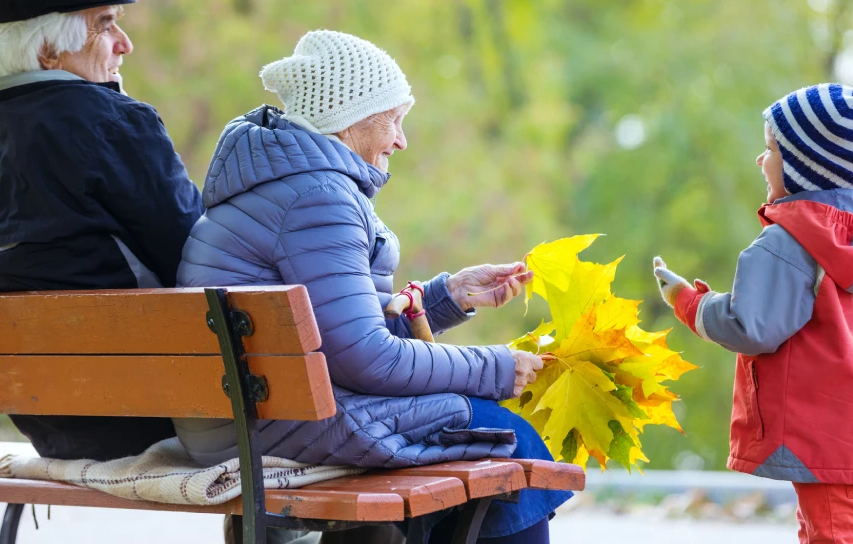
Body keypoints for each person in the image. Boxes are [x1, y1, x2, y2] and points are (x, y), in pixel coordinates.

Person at [177, 30, 571, 543]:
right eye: (393, 119)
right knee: (505, 433)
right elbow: (367, 358)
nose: (401, 140)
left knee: (476, 430)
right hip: (276, 425)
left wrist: (445, 298)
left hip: (242, 418)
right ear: (349, 119)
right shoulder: (319, 198)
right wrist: (496, 367)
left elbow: (330, 332)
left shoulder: (276, 184)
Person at [0, 0, 203, 461]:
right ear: (47, 52)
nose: (124, 44)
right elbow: (197, 257)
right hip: (154, 412)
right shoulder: (111, 122)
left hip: (47, 418)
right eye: (105, 25)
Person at [653, 69, 853, 543]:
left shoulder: (790, 242)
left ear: (805, 167)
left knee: (832, 533)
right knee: (827, 527)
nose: (761, 158)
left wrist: (686, 301)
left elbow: (750, 325)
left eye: (772, 149)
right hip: (852, 420)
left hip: (818, 424)